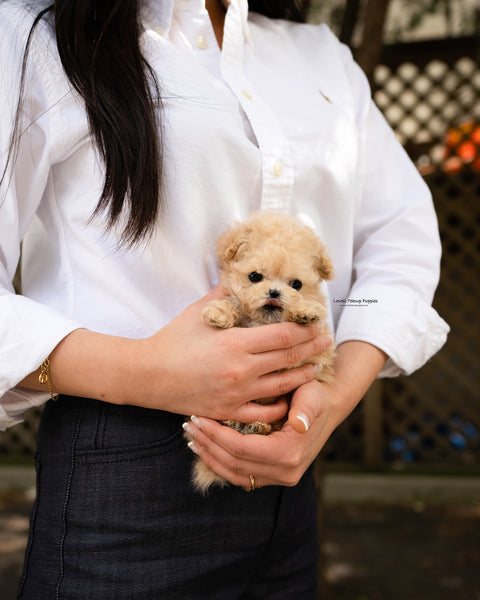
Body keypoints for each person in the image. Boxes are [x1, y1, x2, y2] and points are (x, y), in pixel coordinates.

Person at [0, 0, 449, 598]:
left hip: (290, 475)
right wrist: (142, 371)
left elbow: (402, 241)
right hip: (126, 475)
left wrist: (328, 402)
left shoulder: (317, 55)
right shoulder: (35, 33)